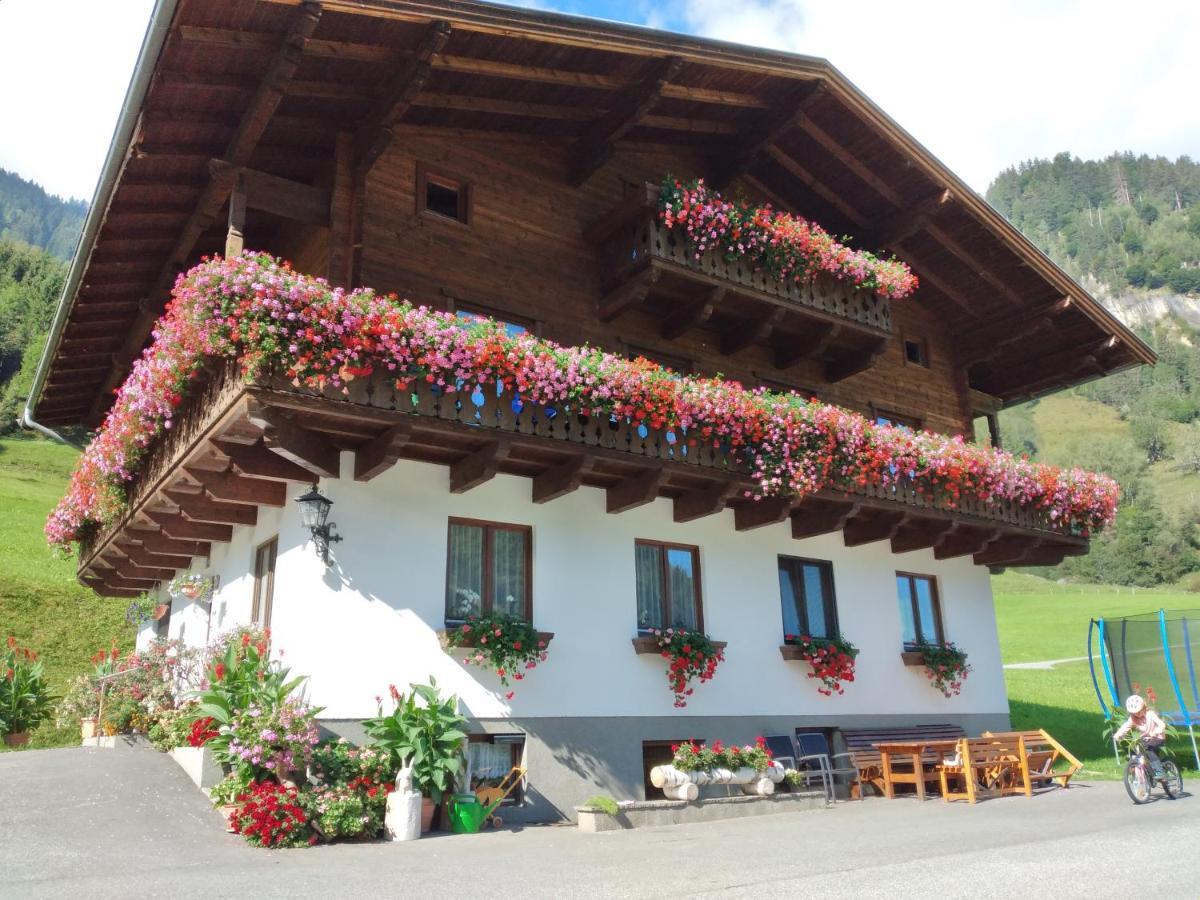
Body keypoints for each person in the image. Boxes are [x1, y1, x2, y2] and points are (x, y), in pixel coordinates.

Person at [1114, 694, 1168, 776]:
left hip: (1157, 737)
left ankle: (1160, 771)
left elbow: (1162, 725)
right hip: (1146, 738)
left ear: (1143, 707)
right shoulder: (1133, 718)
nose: (1137, 714)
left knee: (1148, 750)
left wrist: (1155, 732)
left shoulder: (1150, 714)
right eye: (1134, 713)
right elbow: (1126, 726)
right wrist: (1118, 735)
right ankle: (1139, 771)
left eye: (1139, 711)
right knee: (1136, 751)